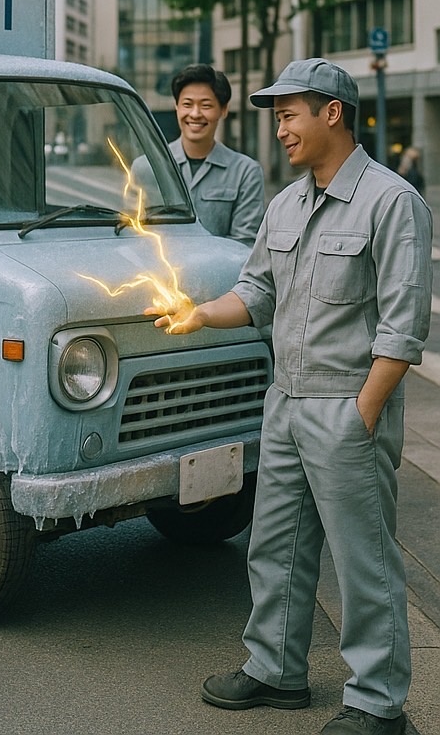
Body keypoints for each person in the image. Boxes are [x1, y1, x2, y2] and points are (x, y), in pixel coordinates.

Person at [151, 58, 431, 735]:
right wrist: (199, 313)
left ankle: (377, 701)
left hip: (345, 403)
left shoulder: (393, 203)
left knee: (364, 559)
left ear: (332, 112)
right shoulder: (286, 203)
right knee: (275, 546)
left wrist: (364, 413)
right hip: (285, 400)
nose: (279, 129)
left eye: (288, 114)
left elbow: (401, 330)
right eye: (277, 117)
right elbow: (256, 295)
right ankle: (276, 669)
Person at [169, 63, 265, 245]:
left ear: (224, 109)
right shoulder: (149, 167)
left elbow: (243, 244)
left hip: (217, 273)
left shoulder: (246, 172)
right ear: (176, 107)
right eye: (187, 104)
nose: (195, 114)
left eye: (206, 105)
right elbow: (134, 235)